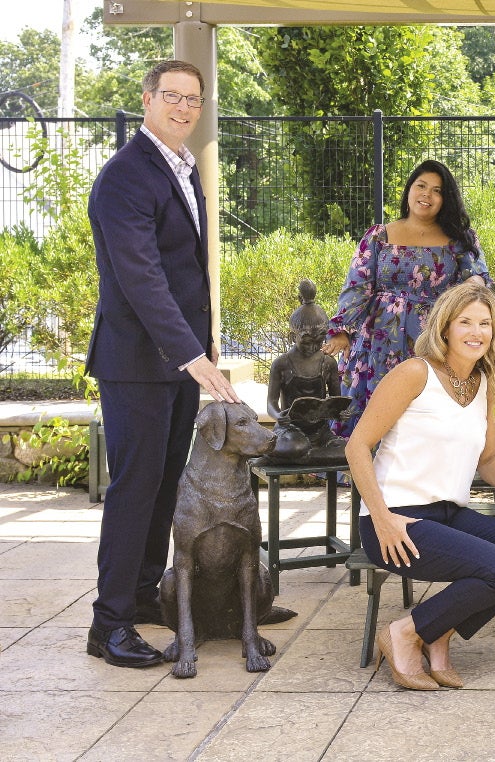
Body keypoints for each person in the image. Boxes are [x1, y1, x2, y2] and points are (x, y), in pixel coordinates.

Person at [86, 60, 242, 668]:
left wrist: (199, 352)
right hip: (136, 364)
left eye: (193, 100)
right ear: (147, 99)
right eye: (171, 96)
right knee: (133, 490)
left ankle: (145, 594)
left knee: (161, 488)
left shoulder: (184, 167)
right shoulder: (126, 176)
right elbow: (142, 278)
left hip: (175, 364)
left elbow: (188, 275)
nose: (183, 108)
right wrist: (192, 355)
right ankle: (109, 625)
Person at [345, 282, 495, 691]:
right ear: (445, 328)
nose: (476, 332)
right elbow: (357, 446)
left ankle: (438, 631)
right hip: (396, 520)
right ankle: (405, 633)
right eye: (466, 322)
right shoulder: (414, 373)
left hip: (448, 514)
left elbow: (488, 458)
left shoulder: (484, 386)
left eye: (485, 324)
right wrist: (383, 518)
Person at [322, 159, 491, 436]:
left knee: (424, 407)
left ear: (445, 199)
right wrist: (342, 330)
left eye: (436, 190)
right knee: (375, 410)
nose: (427, 194)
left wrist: (473, 283)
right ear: (409, 190)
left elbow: (477, 281)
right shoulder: (379, 236)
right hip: (378, 341)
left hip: (433, 341)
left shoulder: (460, 239)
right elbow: (357, 286)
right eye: (421, 186)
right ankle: (367, 473)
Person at [265, 279, 346, 462]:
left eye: (319, 341)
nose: (313, 347)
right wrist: (279, 416)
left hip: (321, 432)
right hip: (291, 430)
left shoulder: (328, 363)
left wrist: (341, 413)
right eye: (307, 341)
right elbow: (271, 402)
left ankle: (306, 456)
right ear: (293, 336)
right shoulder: (282, 364)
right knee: (295, 446)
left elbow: (335, 401)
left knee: (349, 449)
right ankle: (306, 454)